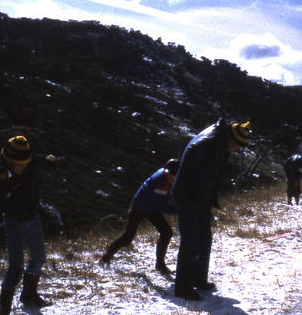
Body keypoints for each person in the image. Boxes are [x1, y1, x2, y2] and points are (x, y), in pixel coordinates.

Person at [172, 119, 251, 301]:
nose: (237, 150)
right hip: (189, 196)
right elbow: (203, 178)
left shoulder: (220, 141)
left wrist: (208, 202)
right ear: (231, 140)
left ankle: (199, 279)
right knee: (191, 241)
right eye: (237, 146)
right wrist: (203, 201)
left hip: (201, 197)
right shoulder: (209, 145)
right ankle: (183, 288)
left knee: (204, 239)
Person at [0, 135, 52, 315]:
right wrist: (8, 183)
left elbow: (39, 160)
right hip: (14, 219)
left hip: (32, 216)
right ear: (8, 161)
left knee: (39, 257)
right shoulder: (1, 174)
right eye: (17, 165)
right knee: (15, 267)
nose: (21, 167)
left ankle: (29, 295)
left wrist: (53, 160)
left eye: (24, 164)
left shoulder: (29, 161)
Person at [101, 159, 180, 274]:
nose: (172, 178)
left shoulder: (169, 177)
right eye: (171, 176)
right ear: (166, 172)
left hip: (153, 206)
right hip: (139, 207)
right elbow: (161, 207)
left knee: (166, 232)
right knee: (128, 238)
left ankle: (160, 264)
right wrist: (180, 211)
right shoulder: (159, 182)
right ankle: (105, 258)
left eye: (175, 176)